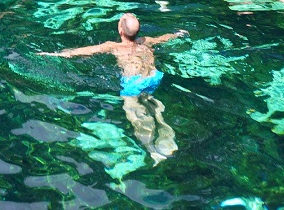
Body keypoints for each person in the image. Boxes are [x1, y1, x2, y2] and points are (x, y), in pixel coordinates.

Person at [39, 13, 189, 163]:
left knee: (137, 115)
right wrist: (177, 34)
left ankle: (151, 149)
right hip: (153, 77)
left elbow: (84, 51)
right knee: (155, 108)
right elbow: (165, 37)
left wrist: (52, 54)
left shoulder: (113, 46)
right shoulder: (146, 41)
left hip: (133, 84)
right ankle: (167, 137)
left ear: (120, 30)